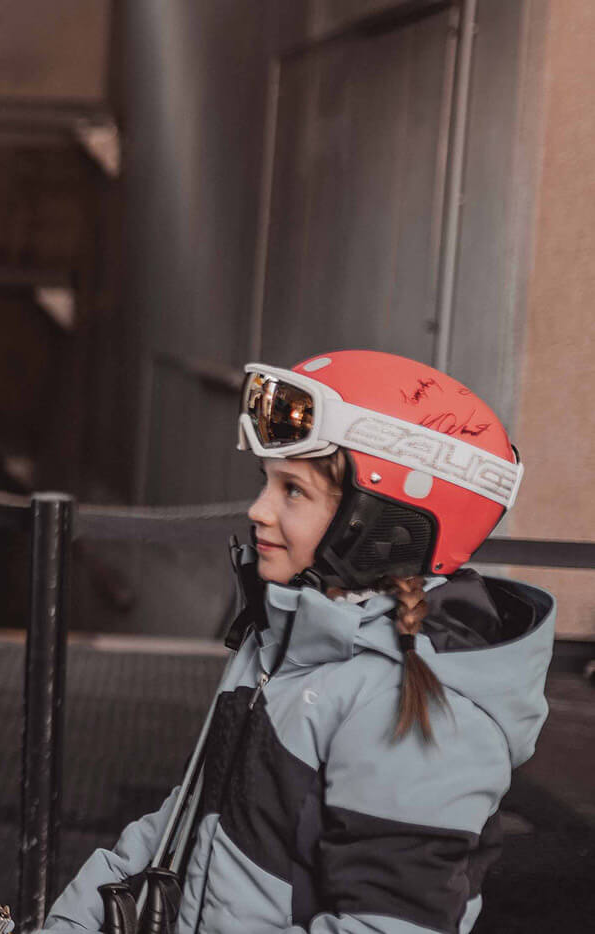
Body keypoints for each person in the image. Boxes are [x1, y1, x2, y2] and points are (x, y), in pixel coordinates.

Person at [40, 350, 554, 933]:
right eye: (268, 483)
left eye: (294, 492)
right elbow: (178, 829)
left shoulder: (414, 711)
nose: (258, 510)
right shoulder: (283, 643)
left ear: (382, 524)